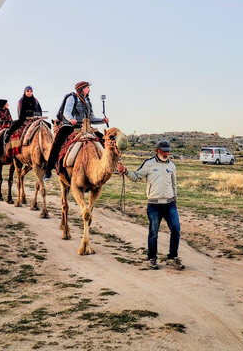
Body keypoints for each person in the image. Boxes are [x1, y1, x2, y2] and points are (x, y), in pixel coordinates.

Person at [117, 140, 184, 271]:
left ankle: (172, 257)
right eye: (164, 151)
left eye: (168, 151)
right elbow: (136, 177)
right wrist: (125, 171)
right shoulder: (148, 164)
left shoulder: (172, 166)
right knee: (153, 233)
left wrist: (175, 201)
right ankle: (152, 259)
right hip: (154, 205)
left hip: (170, 204)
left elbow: (174, 185)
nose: (167, 153)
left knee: (176, 230)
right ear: (157, 151)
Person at [42, 81, 108, 181]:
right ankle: (48, 170)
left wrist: (102, 120)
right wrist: (71, 119)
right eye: (87, 88)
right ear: (82, 89)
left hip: (85, 126)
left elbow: (91, 118)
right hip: (70, 126)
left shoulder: (88, 102)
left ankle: (108, 164)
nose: (89, 90)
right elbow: (66, 112)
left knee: (105, 140)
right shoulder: (72, 98)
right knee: (57, 143)